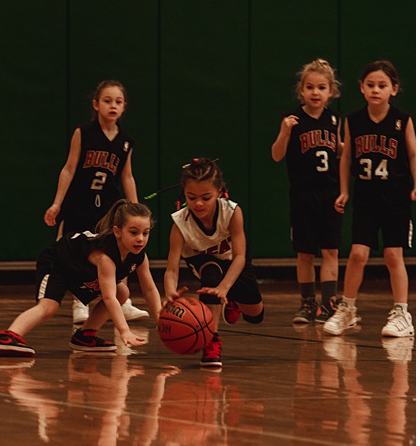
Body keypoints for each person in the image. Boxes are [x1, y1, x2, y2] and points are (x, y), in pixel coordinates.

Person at [0, 200, 162, 357]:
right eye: (134, 232)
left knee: (122, 292)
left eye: (145, 233)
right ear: (117, 231)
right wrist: (124, 331)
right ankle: (9, 336)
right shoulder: (105, 257)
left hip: (81, 272)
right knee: (49, 306)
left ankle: (85, 335)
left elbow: (149, 289)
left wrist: (160, 320)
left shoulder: (139, 256)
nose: (140, 238)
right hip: (58, 263)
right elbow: (108, 297)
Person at [323, 60, 416, 339]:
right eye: (371, 85)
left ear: (394, 90)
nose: (376, 90)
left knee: (392, 255)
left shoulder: (402, 119)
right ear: (362, 88)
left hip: (396, 196)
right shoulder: (353, 120)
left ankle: (402, 313)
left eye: (382, 85)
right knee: (358, 254)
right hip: (365, 196)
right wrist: (344, 190)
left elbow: (413, 155)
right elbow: (347, 157)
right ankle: (348, 308)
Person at [45, 80, 149, 326]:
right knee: (82, 252)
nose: (113, 106)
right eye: (107, 100)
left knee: (118, 251)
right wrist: (56, 204)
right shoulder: (84, 132)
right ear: (96, 105)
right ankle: (80, 303)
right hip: (80, 203)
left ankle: (124, 302)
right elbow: (69, 169)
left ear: (124, 107)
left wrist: (135, 209)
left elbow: (127, 176)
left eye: (118, 102)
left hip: (109, 205)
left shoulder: (126, 141)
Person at [163, 158, 265, 368]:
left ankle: (233, 300)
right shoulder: (179, 223)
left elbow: (239, 257)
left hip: (234, 260)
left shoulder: (232, 211)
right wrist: (169, 292)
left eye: (206, 197)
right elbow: (172, 269)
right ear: (184, 194)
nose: (198, 203)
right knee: (211, 274)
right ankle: (211, 341)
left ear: (219, 192)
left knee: (255, 315)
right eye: (192, 198)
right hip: (204, 263)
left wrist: (225, 289)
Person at [270, 58, 343, 324]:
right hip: (303, 194)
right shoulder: (293, 119)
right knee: (305, 253)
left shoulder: (334, 119)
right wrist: (284, 133)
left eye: (321, 88)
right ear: (301, 89)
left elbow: (338, 151)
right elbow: (277, 156)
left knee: (331, 251)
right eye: (310, 87)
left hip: (331, 193)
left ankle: (330, 305)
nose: (315, 92)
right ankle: (308, 304)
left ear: (330, 92)